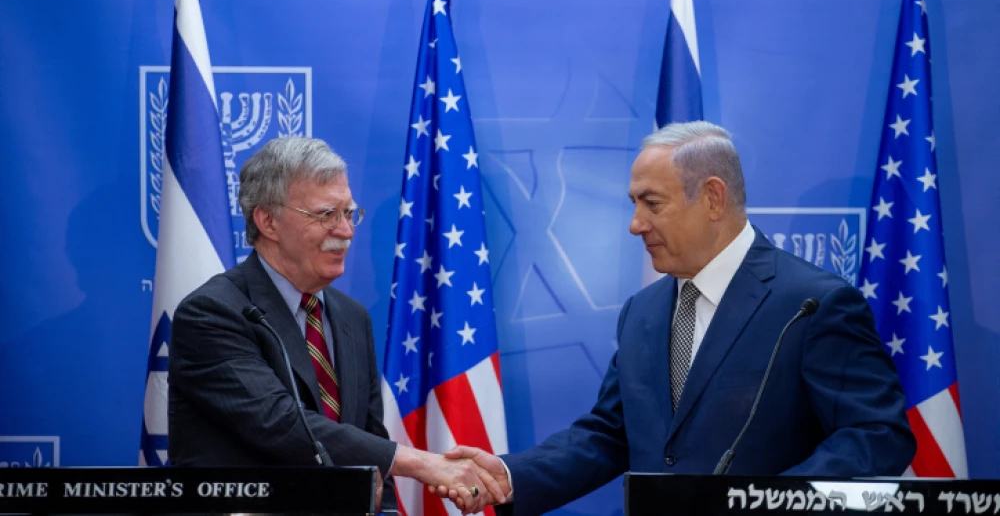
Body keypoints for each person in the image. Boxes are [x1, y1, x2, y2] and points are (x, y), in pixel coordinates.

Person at [437, 121, 916, 516]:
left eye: (652, 203)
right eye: (634, 204)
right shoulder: (642, 313)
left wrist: (769, 504)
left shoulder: (812, 304)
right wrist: (509, 475)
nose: (635, 223)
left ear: (712, 198)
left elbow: (877, 435)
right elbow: (609, 434)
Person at [168, 137, 500, 513]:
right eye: (326, 214)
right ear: (267, 221)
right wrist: (424, 463)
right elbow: (280, 423)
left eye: (349, 213)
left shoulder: (350, 317)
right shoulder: (213, 312)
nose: (345, 231)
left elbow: (372, 448)